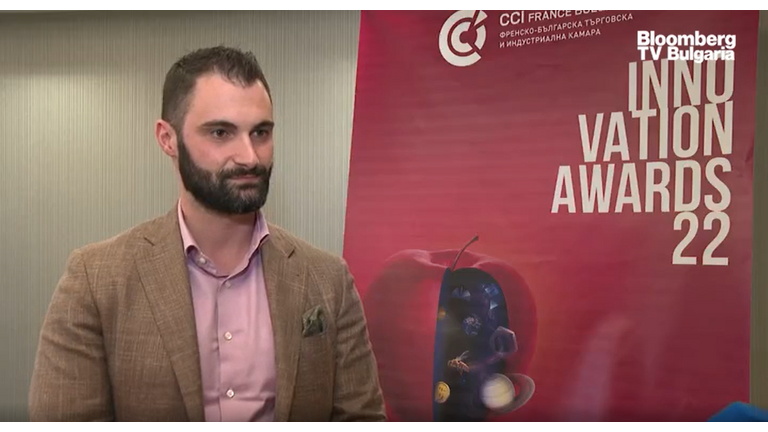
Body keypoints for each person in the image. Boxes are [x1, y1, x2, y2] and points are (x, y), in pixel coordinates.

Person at [28, 46, 386, 422]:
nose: (249, 156)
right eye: (220, 132)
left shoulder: (328, 280)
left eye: (260, 132)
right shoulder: (96, 280)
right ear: (168, 138)